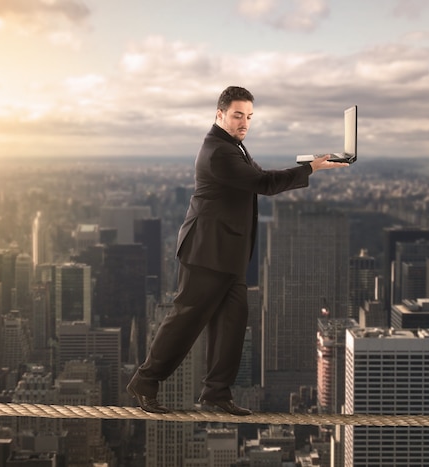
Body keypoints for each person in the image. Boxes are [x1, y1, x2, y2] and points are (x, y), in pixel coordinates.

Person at [126, 86, 348, 415]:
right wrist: (311, 168)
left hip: (226, 253)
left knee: (233, 320)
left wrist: (305, 165)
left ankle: (216, 392)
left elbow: (257, 176)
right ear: (219, 115)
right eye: (237, 115)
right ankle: (145, 381)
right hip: (206, 251)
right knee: (186, 319)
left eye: (249, 116)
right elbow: (263, 184)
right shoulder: (219, 151)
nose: (245, 122)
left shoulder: (234, 146)